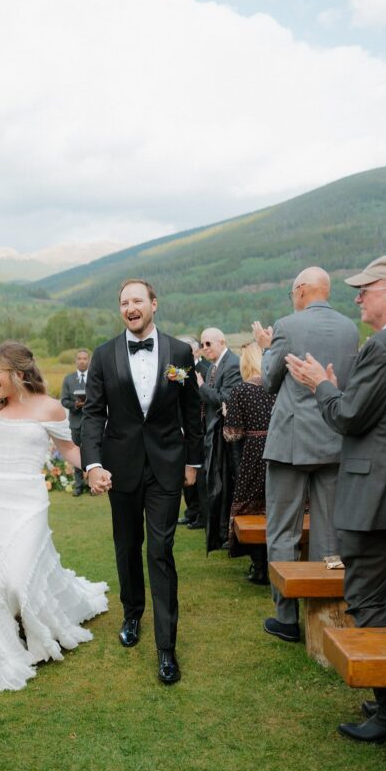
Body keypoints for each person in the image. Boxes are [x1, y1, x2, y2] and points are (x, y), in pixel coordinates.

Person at [286, 254, 386, 746]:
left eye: (366, 289)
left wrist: (320, 385)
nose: (358, 297)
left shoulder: (385, 346)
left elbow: (348, 417)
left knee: (368, 596)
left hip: (375, 496)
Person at [0, 341, 108, 692]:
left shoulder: (50, 407)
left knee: (16, 578)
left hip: (29, 503)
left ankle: (32, 621)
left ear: (18, 372)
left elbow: (69, 449)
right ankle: (7, 637)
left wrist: (94, 469)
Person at [81, 279, 203, 685]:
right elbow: (93, 414)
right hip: (121, 466)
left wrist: (193, 462)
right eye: (123, 303)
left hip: (167, 465)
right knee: (127, 545)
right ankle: (132, 613)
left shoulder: (180, 352)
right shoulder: (103, 355)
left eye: (137, 300)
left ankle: (166, 648)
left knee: (161, 550)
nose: (130, 308)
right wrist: (93, 464)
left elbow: (192, 411)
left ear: (154, 304)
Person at [253, 266, 359, 642]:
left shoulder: (287, 326)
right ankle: (323, 612)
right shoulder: (350, 328)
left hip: (291, 443)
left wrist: (267, 348)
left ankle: (286, 617)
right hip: (334, 440)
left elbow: (269, 381)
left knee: (283, 529)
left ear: (300, 290)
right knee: (329, 532)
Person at [223, 342, 276, 583]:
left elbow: (232, 434)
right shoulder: (277, 387)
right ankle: (277, 563)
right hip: (279, 449)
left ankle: (260, 567)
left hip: (254, 454)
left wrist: (229, 415)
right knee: (277, 508)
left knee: (250, 510)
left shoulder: (240, 391)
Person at [196, 328, 242, 551]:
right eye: (202, 344)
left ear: (222, 342)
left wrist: (201, 387)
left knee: (225, 485)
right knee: (215, 486)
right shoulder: (214, 367)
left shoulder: (232, 364)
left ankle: (227, 534)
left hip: (226, 438)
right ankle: (220, 532)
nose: (204, 348)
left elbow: (225, 399)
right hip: (212, 434)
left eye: (208, 344)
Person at [176, 335, 208, 530]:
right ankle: (191, 511)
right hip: (178, 425)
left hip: (198, 427)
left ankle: (200, 513)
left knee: (197, 471)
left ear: (196, 351)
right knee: (184, 470)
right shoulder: (176, 371)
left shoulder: (204, 369)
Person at [60, 349, 90, 496]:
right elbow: (64, 400)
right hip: (75, 423)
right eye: (79, 358)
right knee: (76, 454)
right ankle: (79, 486)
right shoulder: (68, 379)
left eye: (85, 358)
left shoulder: (95, 377)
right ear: (75, 361)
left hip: (92, 422)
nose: (82, 361)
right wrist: (75, 405)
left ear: (89, 361)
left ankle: (92, 484)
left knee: (92, 453)